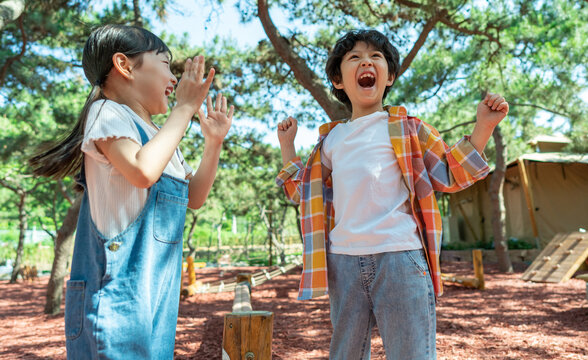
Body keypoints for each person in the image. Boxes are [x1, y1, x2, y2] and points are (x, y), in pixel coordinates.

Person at [276, 29, 508, 359]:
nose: (366, 61)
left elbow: (450, 173)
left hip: (401, 257)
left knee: (411, 353)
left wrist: (483, 127)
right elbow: (304, 193)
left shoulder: (409, 128)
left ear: (390, 76)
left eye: (376, 57)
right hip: (343, 262)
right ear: (338, 81)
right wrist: (288, 149)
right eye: (354, 58)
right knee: (346, 354)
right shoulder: (331, 141)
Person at [29, 24, 233, 359]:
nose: (174, 76)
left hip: (155, 300)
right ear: (124, 66)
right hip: (114, 300)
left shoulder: (160, 137)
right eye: (165, 63)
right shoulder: (106, 112)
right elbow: (141, 172)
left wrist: (213, 143)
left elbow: (194, 197)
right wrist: (184, 109)